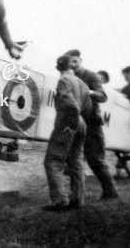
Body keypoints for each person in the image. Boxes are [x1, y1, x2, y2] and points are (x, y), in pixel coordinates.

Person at [66, 50, 119, 200]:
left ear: (80, 60)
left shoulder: (91, 76)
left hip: (92, 124)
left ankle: (111, 191)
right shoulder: (69, 77)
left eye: (75, 61)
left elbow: (102, 96)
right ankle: (75, 194)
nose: (73, 64)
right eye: (70, 62)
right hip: (76, 122)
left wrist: (90, 92)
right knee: (73, 159)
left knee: (95, 159)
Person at [43, 54, 90, 211]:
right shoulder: (82, 82)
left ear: (58, 67)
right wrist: (78, 121)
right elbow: (87, 106)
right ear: (71, 67)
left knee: (53, 161)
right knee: (75, 161)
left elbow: (69, 103)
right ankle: (78, 199)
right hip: (81, 122)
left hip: (68, 123)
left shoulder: (63, 80)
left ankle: (59, 200)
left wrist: (71, 123)